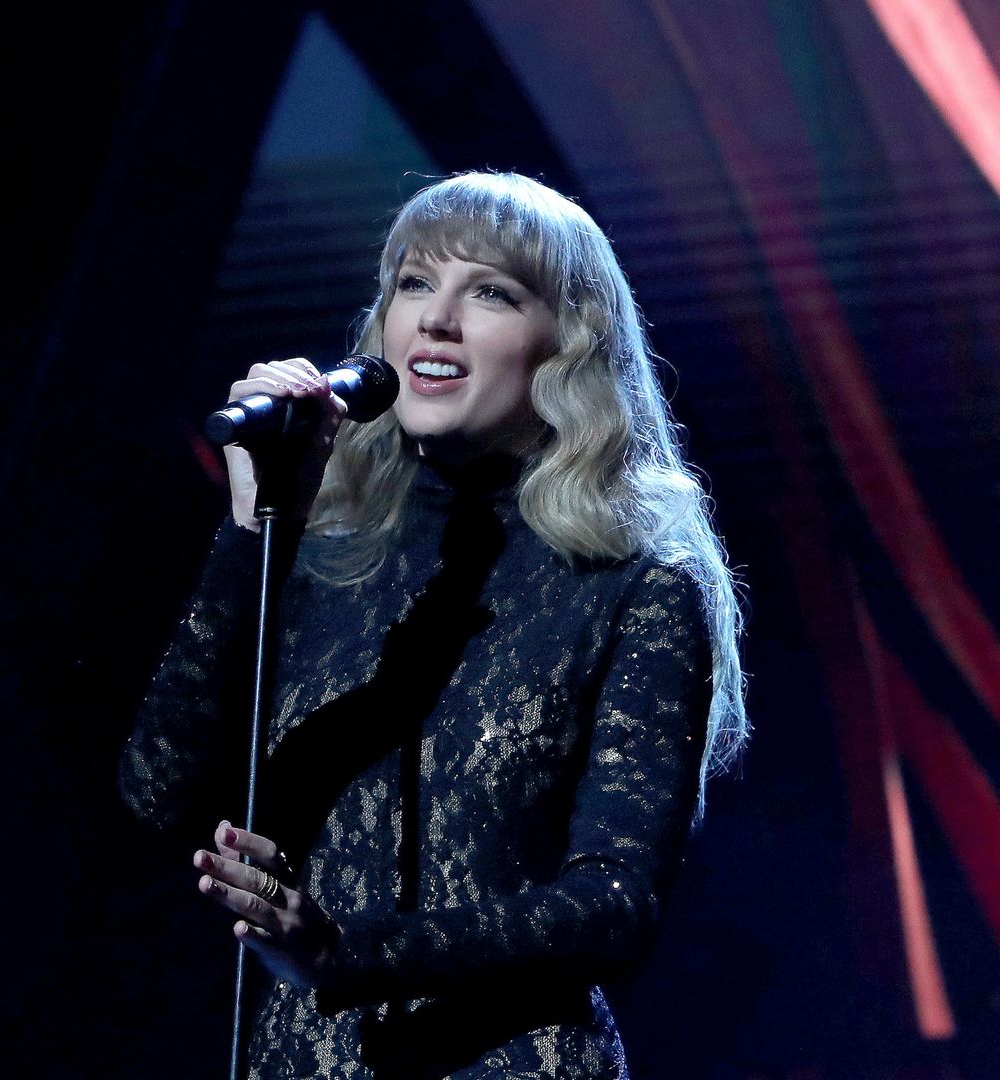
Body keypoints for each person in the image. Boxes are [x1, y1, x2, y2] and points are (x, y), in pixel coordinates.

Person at [119, 171, 747, 1078]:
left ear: (567, 342)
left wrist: (346, 954)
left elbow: (614, 903)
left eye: (490, 292)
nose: (435, 319)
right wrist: (254, 533)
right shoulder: (322, 553)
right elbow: (155, 791)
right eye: (415, 284)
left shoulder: (633, 583)